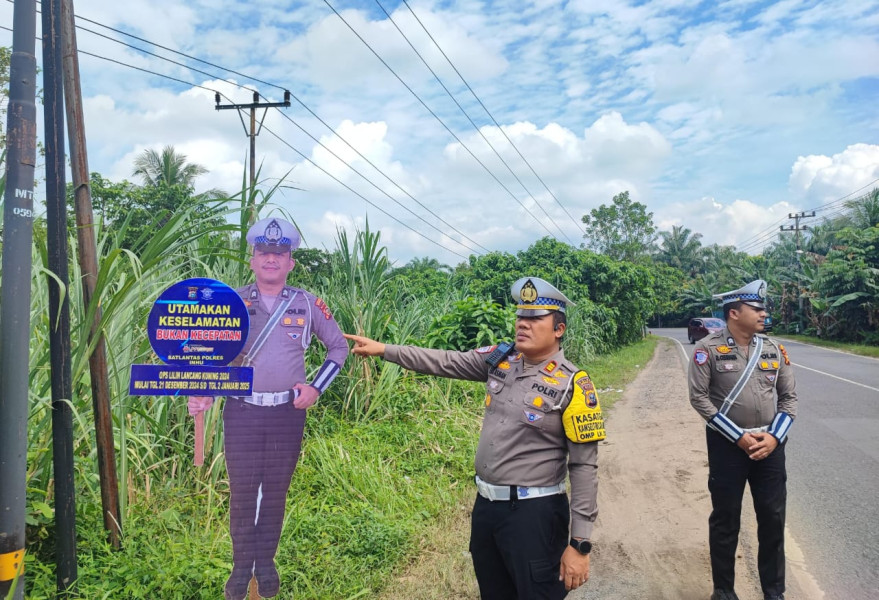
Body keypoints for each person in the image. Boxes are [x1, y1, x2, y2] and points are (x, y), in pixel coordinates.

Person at [345, 277, 602, 600]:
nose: (522, 324)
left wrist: (579, 544)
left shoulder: (573, 385)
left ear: (558, 330)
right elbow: (445, 361)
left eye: (535, 318)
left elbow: (584, 467)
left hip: (535, 515)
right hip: (487, 510)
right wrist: (385, 350)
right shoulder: (500, 360)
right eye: (521, 316)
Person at [187, 217, 348, 600]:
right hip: (242, 411)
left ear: (291, 261)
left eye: (279, 253)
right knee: (243, 493)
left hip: (286, 415)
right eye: (264, 253)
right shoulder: (229, 303)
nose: (271, 259)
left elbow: (338, 348)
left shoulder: (307, 304)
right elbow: (209, 354)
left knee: (275, 492)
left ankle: (266, 562)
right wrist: (203, 392)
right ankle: (241, 567)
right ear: (252, 259)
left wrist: (315, 388)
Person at [688, 279, 797, 600]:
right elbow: (699, 399)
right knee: (725, 521)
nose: (764, 313)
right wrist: (738, 437)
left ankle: (774, 593)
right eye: (757, 308)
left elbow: (789, 399)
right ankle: (723, 592)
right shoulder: (706, 350)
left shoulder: (775, 349)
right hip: (727, 447)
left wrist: (774, 438)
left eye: (763, 308)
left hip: (770, 446)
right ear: (734, 313)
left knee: (773, 521)